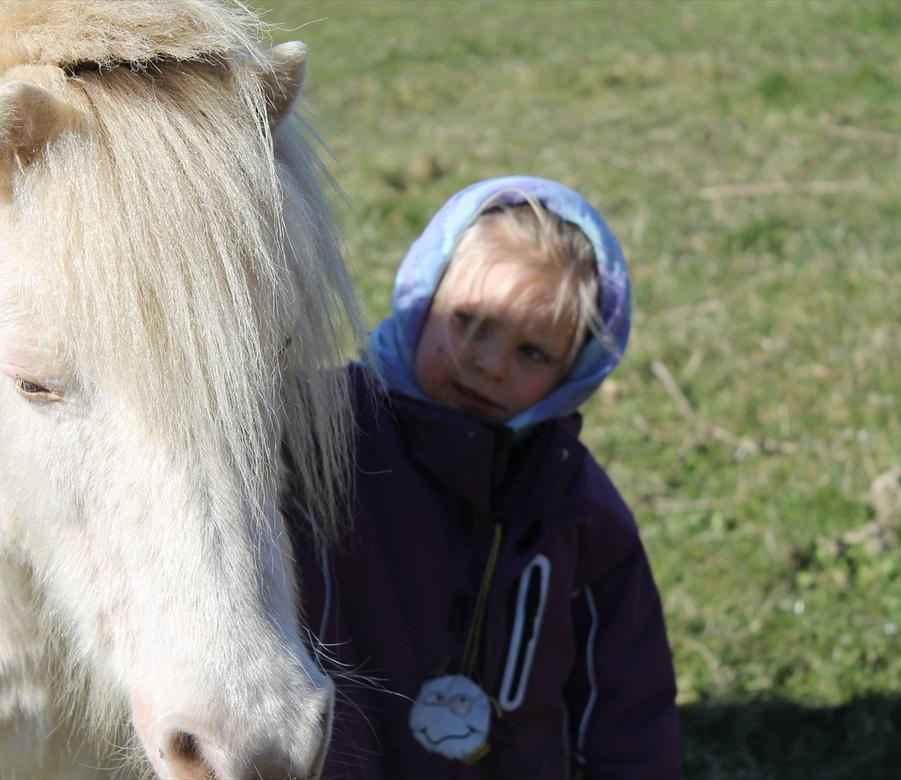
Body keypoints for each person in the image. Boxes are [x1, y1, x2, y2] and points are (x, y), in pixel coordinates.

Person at [291, 176, 680, 779]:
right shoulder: (313, 432)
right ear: (422, 298)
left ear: (574, 372)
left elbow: (626, 696)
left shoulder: (570, 498)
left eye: (533, 353)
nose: (491, 364)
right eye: (470, 322)